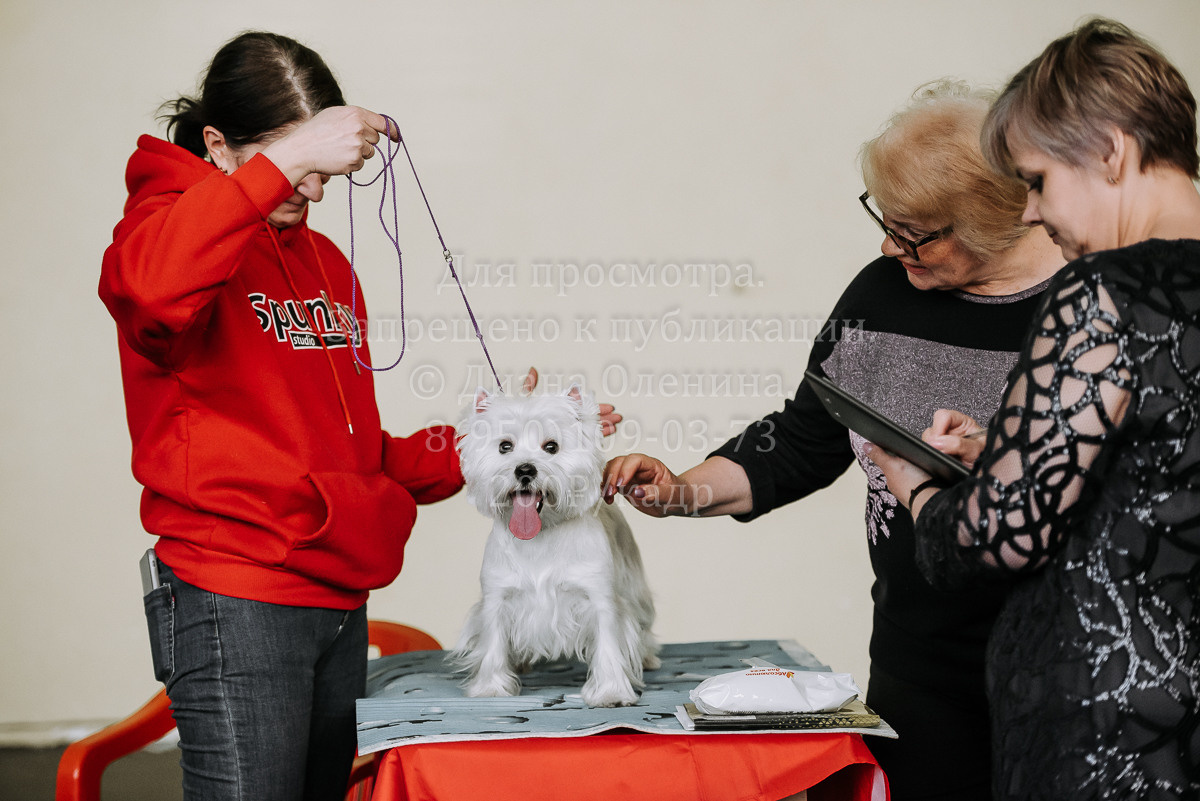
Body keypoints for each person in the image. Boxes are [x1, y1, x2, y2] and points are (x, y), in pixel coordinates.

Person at [99, 31, 622, 801]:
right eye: (299, 166)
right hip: (236, 595)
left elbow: (353, 452)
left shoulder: (324, 265)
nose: (312, 192)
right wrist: (292, 154)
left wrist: (502, 448)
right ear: (218, 144)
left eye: (321, 174)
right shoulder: (159, 233)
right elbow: (146, 293)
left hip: (338, 599)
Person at [603, 81, 1065, 800]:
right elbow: (802, 438)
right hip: (918, 670)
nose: (889, 244)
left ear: (992, 216)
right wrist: (678, 490)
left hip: (1063, 673)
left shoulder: (1088, 313)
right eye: (887, 221)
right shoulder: (882, 293)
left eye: (914, 231)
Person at [869, 18, 1200, 801]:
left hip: (1105, 730)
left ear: (1112, 151)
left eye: (1038, 179)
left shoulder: (1105, 294)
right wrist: (1014, 447)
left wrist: (918, 481)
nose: (1026, 212)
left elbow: (999, 537)